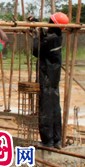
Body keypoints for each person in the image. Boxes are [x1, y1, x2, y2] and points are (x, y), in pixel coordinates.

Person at [30, 12, 69, 149]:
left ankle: (48, 141)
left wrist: (35, 35)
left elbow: (36, 50)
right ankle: (57, 140)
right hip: (53, 79)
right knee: (54, 108)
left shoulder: (51, 39)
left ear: (52, 24)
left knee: (46, 108)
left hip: (46, 77)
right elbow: (45, 35)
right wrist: (36, 25)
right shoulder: (56, 36)